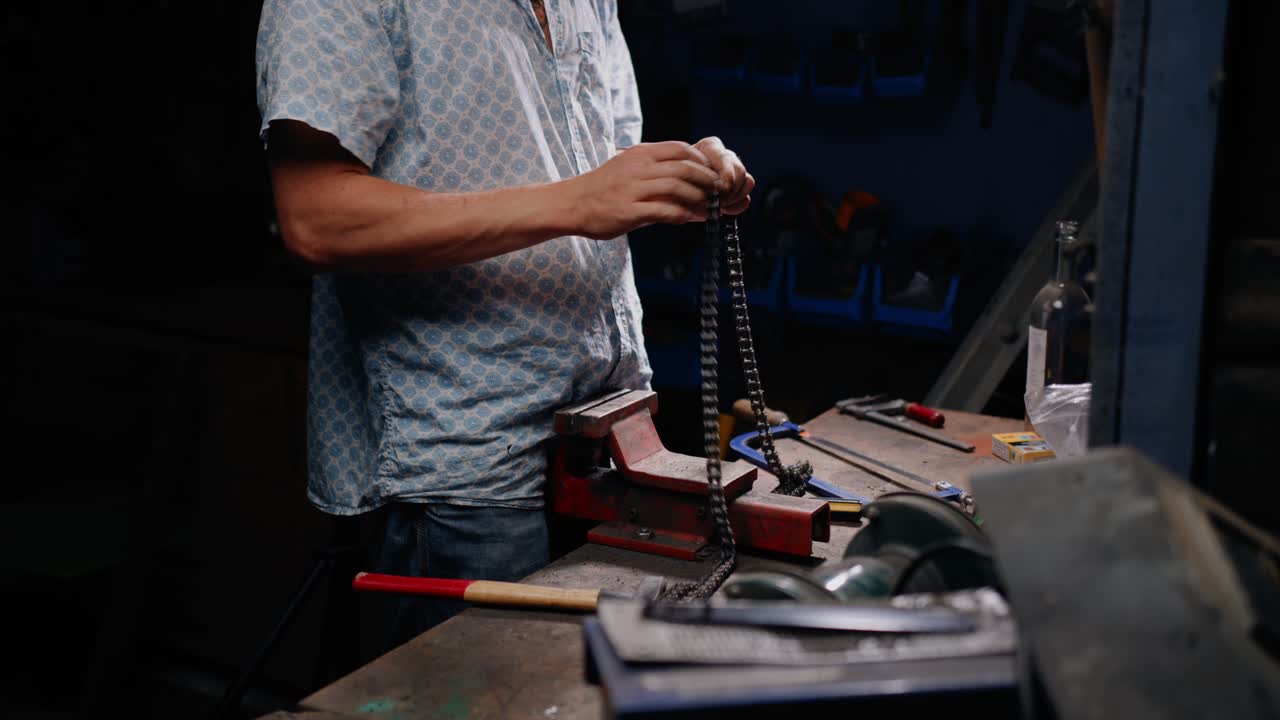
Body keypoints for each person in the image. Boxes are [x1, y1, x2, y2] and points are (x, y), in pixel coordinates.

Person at [255, 0, 753, 645]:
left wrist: (679, 174)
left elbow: (600, 166)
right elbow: (317, 219)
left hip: (607, 434)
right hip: (466, 461)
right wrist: (576, 200)